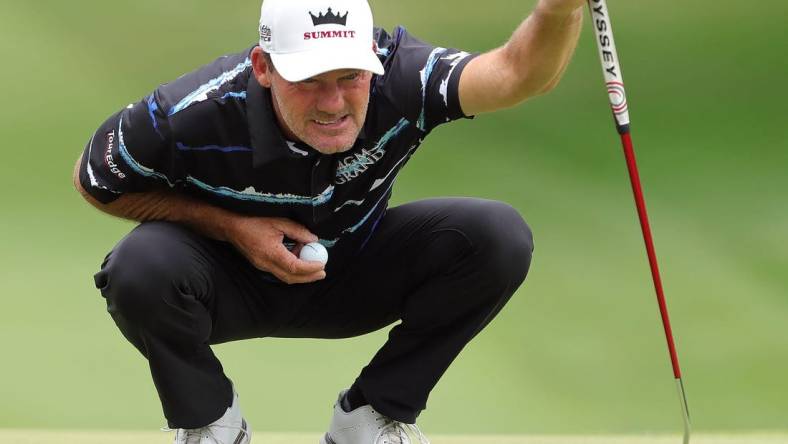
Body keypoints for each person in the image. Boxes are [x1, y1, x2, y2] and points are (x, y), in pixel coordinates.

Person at [73, 0, 585, 442]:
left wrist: (558, 8)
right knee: (138, 265)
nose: (333, 102)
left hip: (351, 275)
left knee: (495, 236)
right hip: (224, 287)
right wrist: (231, 227)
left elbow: (517, 75)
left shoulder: (402, 76)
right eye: (309, 81)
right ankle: (211, 425)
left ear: (373, 63)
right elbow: (95, 181)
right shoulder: (187, 111)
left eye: (350, 77)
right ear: (263, 66)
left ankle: (369, 420)